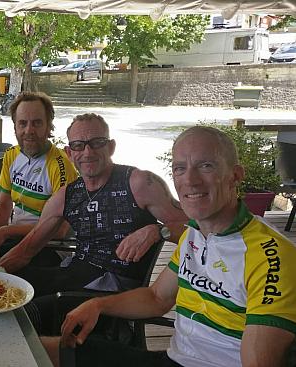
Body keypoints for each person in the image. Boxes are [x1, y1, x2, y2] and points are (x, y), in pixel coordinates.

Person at [42, 126, 296, 367]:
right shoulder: (195, 235)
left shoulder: (272, 257)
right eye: (180, 169)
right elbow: (157, 298)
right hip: (172, 359)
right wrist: (98, 305)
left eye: (206, 166)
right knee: (43, 351)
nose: (191, 181)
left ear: (235, 175)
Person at [0, 113, 187, 298]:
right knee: (7, 287)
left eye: (97, 143)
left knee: (27, 310)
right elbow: (26, 250)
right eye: (79, 146)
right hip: (74, 275)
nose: (88, 152)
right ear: (70, 153)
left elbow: (199, 229)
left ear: (111, 147)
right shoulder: (66, 196)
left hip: (114, 294)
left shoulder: (138, 183)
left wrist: (158, 231)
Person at [0, 92, 77, 260]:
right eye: (22, 123)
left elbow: (60, 230)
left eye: (37, 123)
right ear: (15, 127)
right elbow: (4, 205)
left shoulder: (61, 166)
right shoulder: (11, 155)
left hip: (50, 247)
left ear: (49, 126)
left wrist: (5, 232)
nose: (29, 130)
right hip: (15, 239)